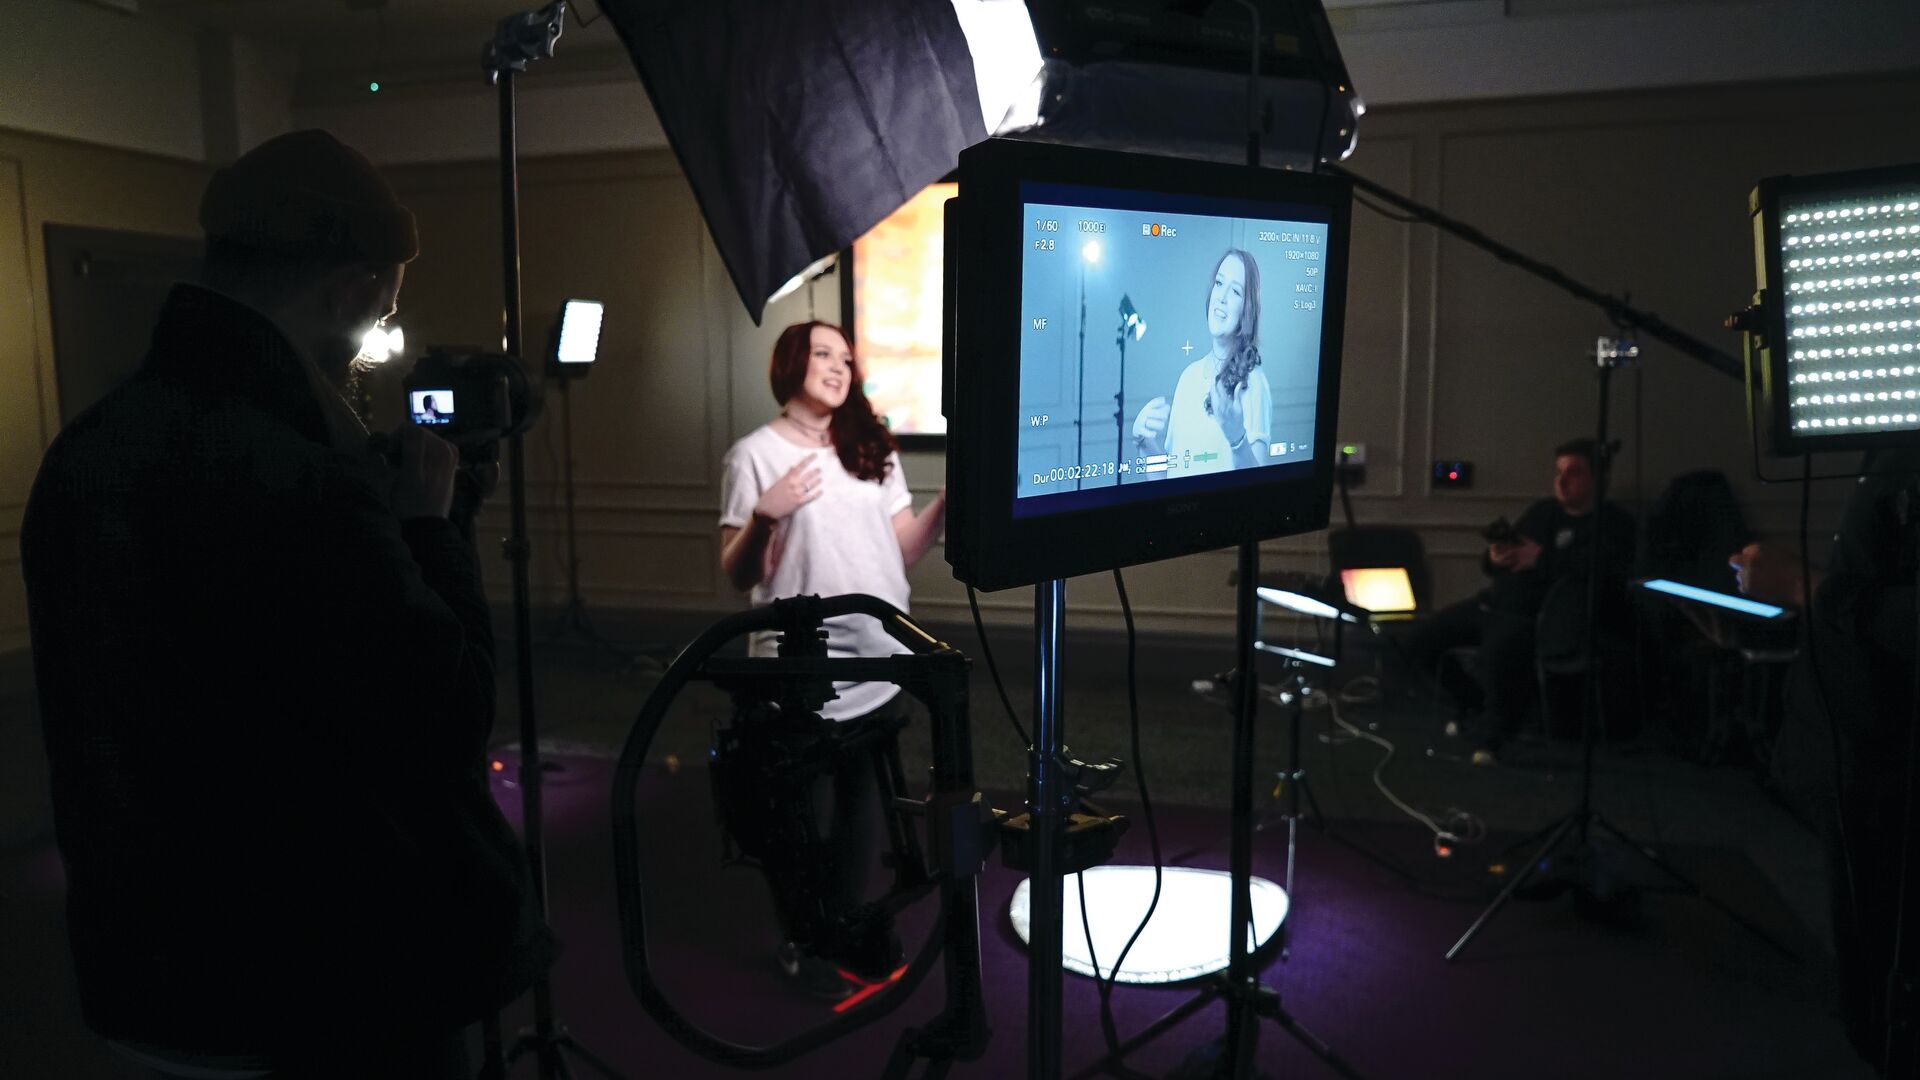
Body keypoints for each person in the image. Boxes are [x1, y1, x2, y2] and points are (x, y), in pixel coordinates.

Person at [19, 130, 552, 1079]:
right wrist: (430, 527)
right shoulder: (305, 477)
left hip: (148, 963)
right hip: (327, 982)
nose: (373, 338)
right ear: (350, 289)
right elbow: (445, 710)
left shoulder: (85, 453)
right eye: (380, 310)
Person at [717, 320, 946, 995]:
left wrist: (946, 504)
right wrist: (766, 514)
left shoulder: (869, 446)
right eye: (824, 354)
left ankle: (843, 928)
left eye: (846, 358)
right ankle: (804, 941)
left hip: (879, 662)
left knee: (859, 814)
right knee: (799, 824)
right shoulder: (753, 455)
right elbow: (737, 575)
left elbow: (901, 549)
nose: (839, 367)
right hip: (801, 678)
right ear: (790, 364)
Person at [1732, 450, 1920, 1075]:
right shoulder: (1893, 449)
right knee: (1868, 976)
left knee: (1887, 991)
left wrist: (1802, 586)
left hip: (1892, 769)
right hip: (1855, 760)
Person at [1400, 437, 1638, 763]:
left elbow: (1601, 576)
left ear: (1599, 477)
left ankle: (1495, 735)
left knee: (1501, 654)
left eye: (1574, 473)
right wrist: (1495, 557)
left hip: (1539, 620)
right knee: (1418, 641)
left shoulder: (1614, 524)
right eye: (1558, 472)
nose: (1562, 481)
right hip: (1492, 604)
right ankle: (1472, 702)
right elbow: (1500, 562)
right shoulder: (1543, 511)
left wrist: (1541, 559)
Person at [1131, 248, 1272, 474]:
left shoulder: (1253, 383)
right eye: (1219, 283)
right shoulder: (1189, 376)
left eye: (1235, 291)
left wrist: (1237, 438)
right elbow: (1169, 478)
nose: (1222, 297)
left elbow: (1260, 486)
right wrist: (1144, 442)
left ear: (1247, 309)